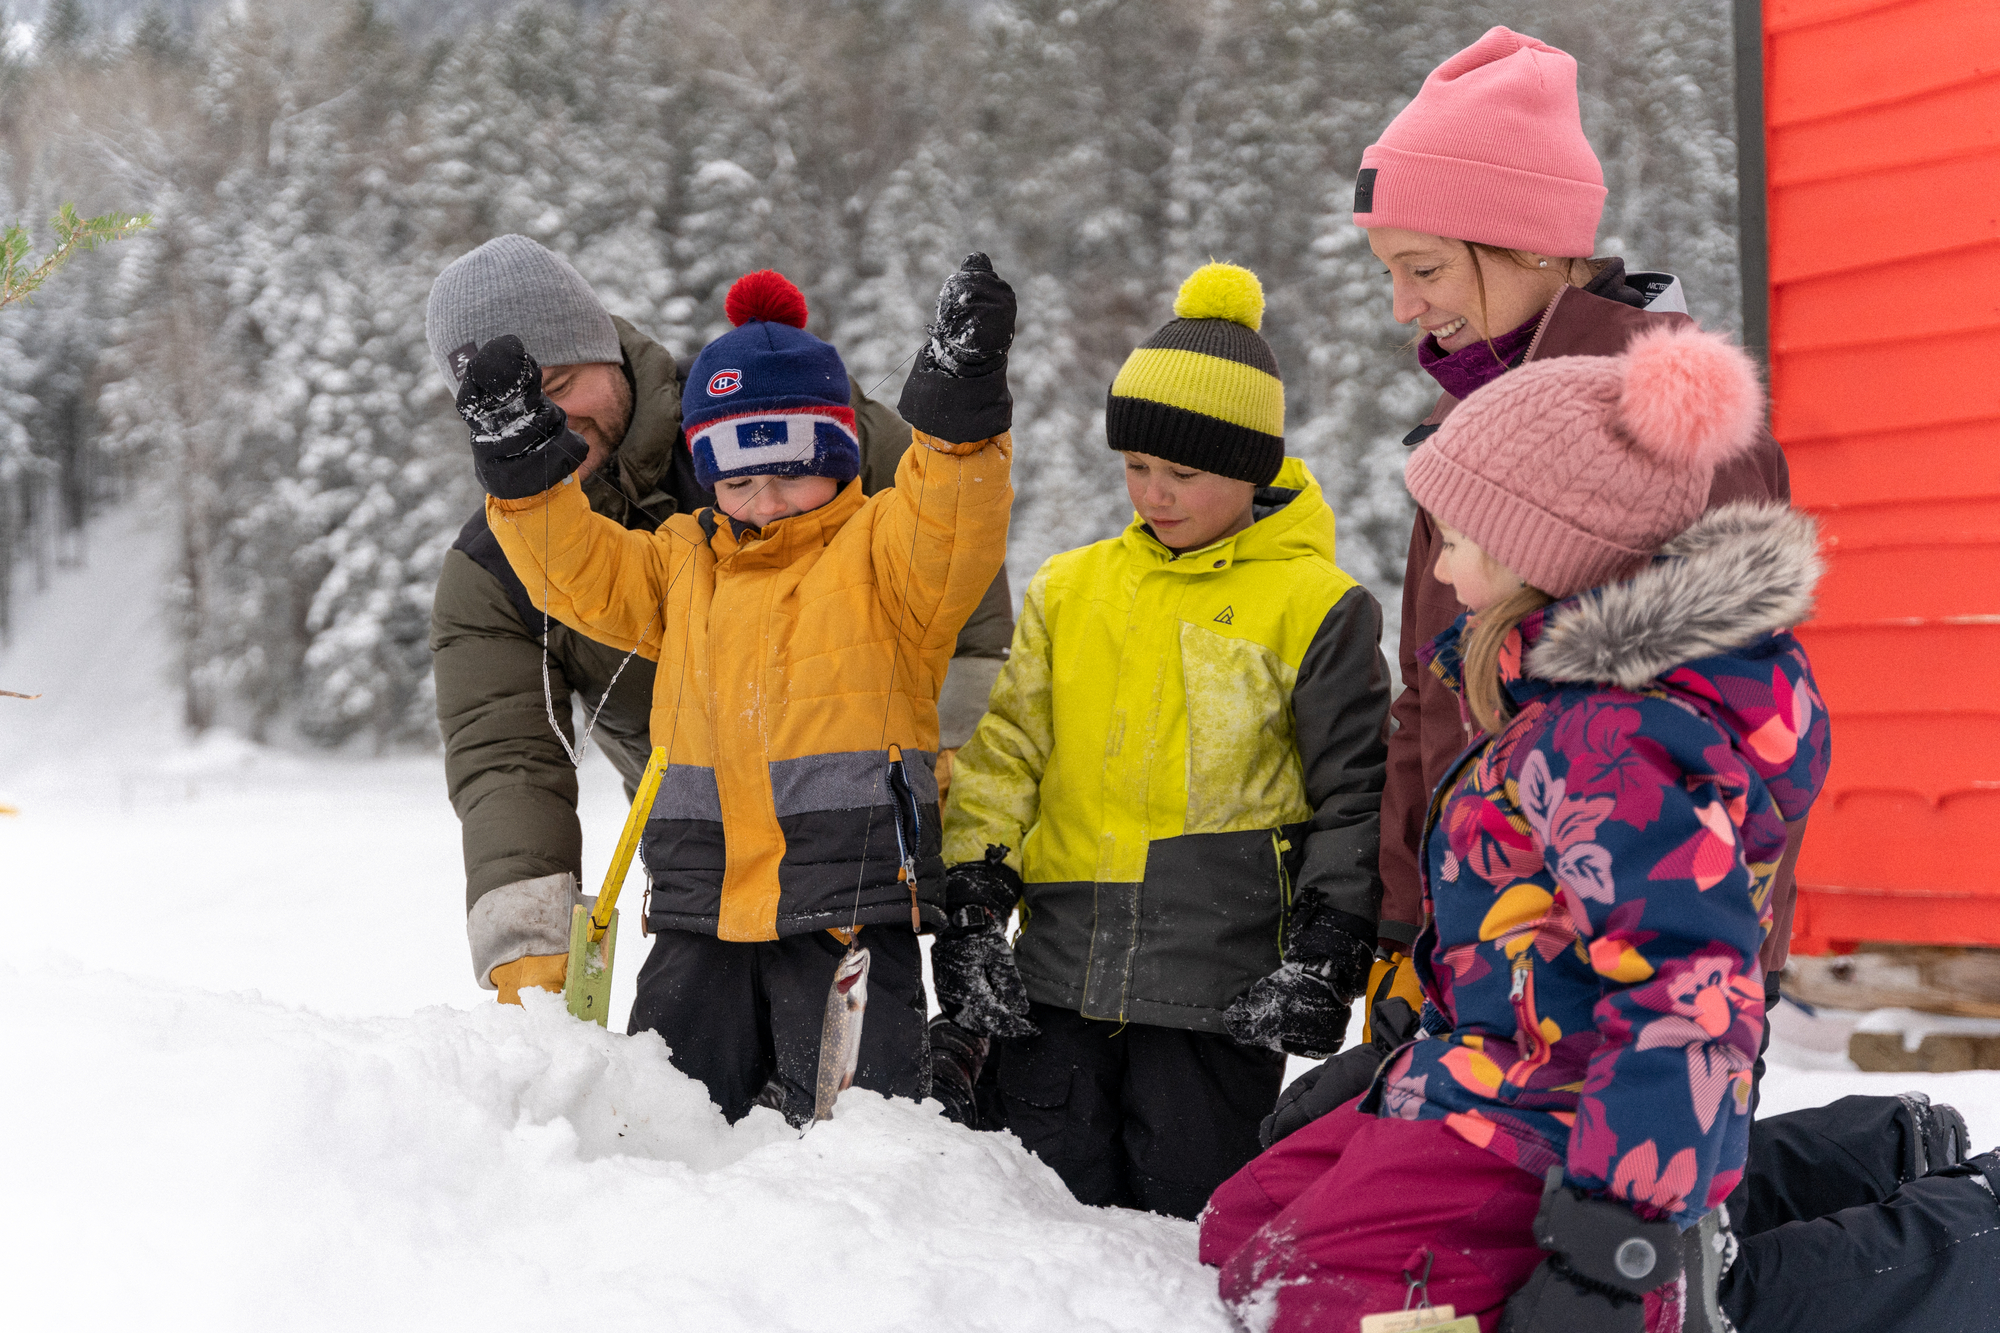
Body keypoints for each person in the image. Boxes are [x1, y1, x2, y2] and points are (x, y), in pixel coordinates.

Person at [445, 257, 1017, 1126]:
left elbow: (954, 520)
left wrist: (959, 416)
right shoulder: (682, 560)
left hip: (847, 905)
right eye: (739, 479)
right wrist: (526, 481)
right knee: (662, 1125)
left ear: (838, 456)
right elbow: (581, 574)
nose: (764, 501)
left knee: (856, 1136)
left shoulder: (882, 555)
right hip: (695, 912)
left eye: (790, 471)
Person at [935, 263, 1390, 1219]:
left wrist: (1327, 949)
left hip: (1218, 997)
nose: (1154, 492)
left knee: (1184, 1237)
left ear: (1253, 467)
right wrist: (974, 905)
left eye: (1183, 472)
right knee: (1037, 1223)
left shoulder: (1316, 607)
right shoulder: (1071, 587)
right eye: (1137, 467)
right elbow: (1009, 753)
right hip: (1057, 982)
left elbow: (1353, 793)